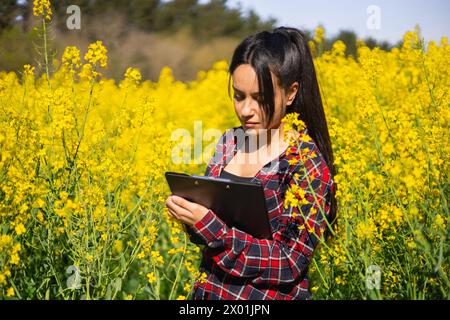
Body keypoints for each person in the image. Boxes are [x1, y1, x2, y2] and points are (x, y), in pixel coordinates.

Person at [165, 26, 337, 300]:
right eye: (238, 96)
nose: (246, 110)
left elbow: (288, 262)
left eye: (260, 98)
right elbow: (206, 235)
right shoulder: (230, 142)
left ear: (290, 93)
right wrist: (189, 215)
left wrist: (210, 227)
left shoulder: (306, 164)